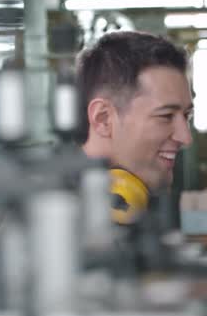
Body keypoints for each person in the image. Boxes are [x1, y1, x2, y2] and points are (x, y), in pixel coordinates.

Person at [76, 31, 193, 223]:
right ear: (103, 118)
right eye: (165, 116)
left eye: (187, 116)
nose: (185, 138)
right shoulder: (49, 226)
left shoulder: (135, 211)